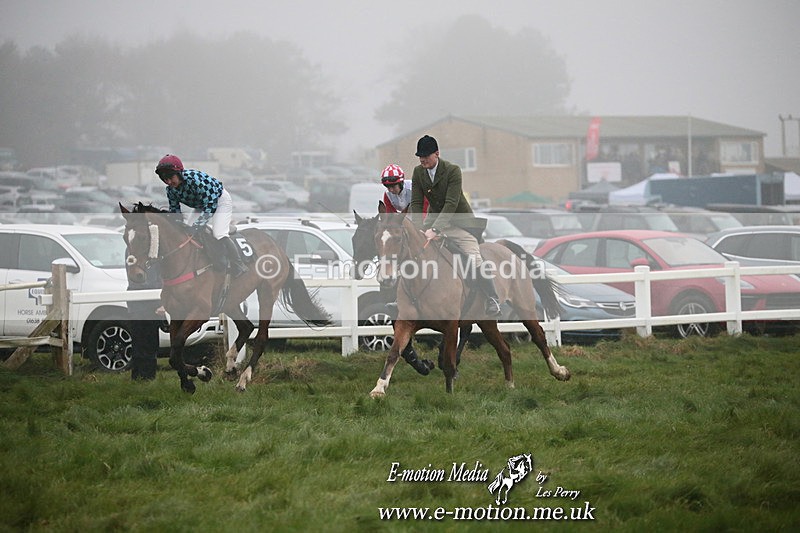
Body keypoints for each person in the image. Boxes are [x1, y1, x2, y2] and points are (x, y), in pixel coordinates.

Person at [408, 135, 502, 317]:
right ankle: (404, 299)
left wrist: (435, 230)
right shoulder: (418, 172)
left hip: (460, 224)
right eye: (420, 156)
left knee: (474, 259)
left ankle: (492, 298)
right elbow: (417, 202)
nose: (422, 159)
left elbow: (451, 203)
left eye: (426, 155)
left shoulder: (452, 171)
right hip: (433, 222)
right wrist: (419, 229)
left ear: (437, 154)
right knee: (412, 253)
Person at [155, 154, 248, 278]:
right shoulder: (170, 190)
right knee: (186, 233)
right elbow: (175, 212)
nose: (169, 182)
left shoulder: (195, 180)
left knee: (219, 233)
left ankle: (239, 264)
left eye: (171, 177)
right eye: (165, 179)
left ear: (179, 173)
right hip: (201, 205)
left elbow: (210, 206)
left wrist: (197, 226)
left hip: (219, 201)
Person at [126, 252, 161, 381]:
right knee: (140, 341)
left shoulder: (154, 252)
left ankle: (148, 376)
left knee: (151, 342)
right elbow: (138, 278)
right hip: (139, 303)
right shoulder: (132, 252)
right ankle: (139, 376)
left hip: (152, 302)